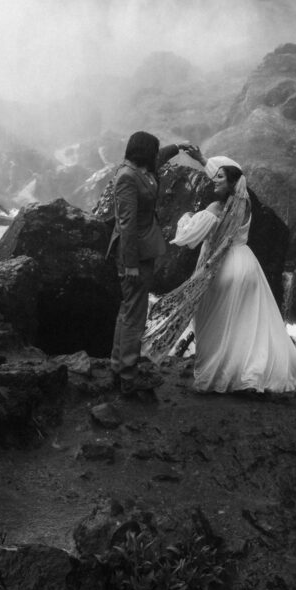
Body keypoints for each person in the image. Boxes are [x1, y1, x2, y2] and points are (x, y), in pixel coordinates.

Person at [144, 152, 296, 394]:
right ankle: (250, 373)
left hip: (222, 268)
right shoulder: (246, 203)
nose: (213, 180)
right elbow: (225, 174)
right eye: (214, 176)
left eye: (219, 178)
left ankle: (223, 373)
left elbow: (187, 238)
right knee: (246, 324)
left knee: (216, 323)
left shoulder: (216, 207)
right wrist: (201, 160)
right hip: (247, 264)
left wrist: (185, 217)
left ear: (230, 183)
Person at [107, 130, 194, 395]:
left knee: (129, 309)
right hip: (133, 254)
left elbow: (161, 159)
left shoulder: (143, 168)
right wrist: (131, 264)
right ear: (144, 153)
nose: (157, 156)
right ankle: (129, 376)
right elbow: (127, 225)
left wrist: (178, 146)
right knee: (135, 314)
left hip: (143, 250)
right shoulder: (127, 178)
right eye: (154, 151)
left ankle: (118, 367)